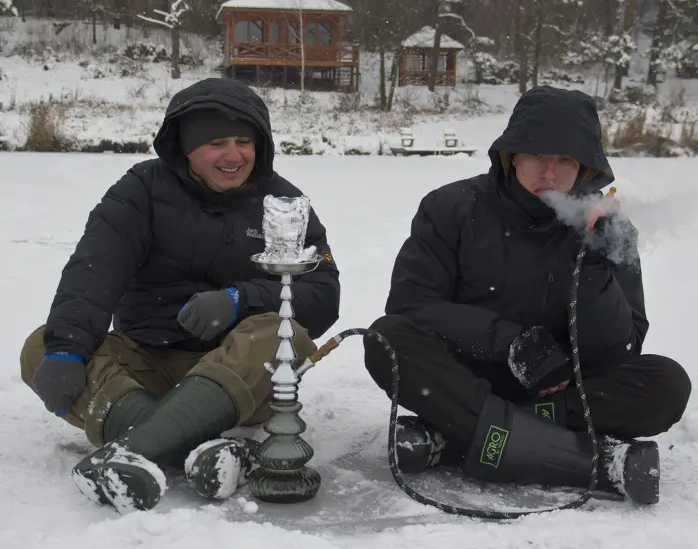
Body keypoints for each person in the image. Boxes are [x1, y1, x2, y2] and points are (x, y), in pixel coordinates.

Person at [20, 77, 340, 512]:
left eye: (244, 141)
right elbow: (94, 269)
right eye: (216, 143)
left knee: (284, 334)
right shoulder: (141, 190)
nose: (234, 156)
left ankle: (136, 450)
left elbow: (323, 293)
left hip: (237, 374)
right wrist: (66, 349)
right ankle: (195, 448)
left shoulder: (283, 202)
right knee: (43, 344)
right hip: (145, 359)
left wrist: (237, 300)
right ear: (185, 147)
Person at [364, 85, 691, 505]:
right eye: (538, 155)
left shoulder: (609, 230)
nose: (550, 173)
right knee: (386, 340)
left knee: (666, 383)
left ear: (586, 167)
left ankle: (456, 436)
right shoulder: (451, 207)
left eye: (565, 160)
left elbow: (624, 348)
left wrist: (594, 266)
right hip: (468, 377)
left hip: (564, 392)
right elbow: (411, 305)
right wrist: (513, 342)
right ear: (512, 154)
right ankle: (591, 461)